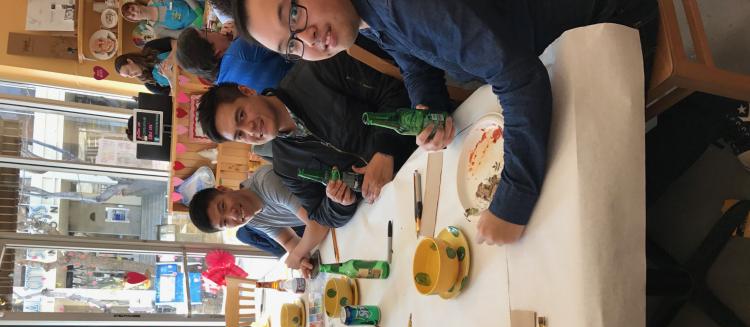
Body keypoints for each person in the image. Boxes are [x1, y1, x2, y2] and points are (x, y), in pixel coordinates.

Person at [232, 0, 659, 247]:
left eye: (293, 14)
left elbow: (519, 77)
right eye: (292, 45)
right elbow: (412, 60)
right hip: (548, 48)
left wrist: (512, 203)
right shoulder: (365, 15)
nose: (308, 38)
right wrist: (428, 104)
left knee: (572, 216)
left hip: (608, 24)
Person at [196, 52, 416, 227]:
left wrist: (384, 151)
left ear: (247, 91)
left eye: (241, 116)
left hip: (420, 147)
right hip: (395, 201)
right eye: (240, 135)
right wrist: (339, 203)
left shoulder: (317, 71)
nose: (249, 129)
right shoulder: (285, 164)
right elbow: (320, 215)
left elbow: (395, 91)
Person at [188, 165, 328, 275]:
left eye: (223, 206)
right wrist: (303, 259)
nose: (233, 215)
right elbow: (288, 240)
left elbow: (319, 222)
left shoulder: (266, 183)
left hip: (337, 197)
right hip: (334, 220)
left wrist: (297, 254)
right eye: (225, 222)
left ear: (224, 189)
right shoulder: (253, 219)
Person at [175, 27, 294, 89]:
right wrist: (242, 29)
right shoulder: (241, 49)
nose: (214, 31)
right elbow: (284, 29)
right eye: (207, 32)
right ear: (216, 51)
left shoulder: (223, 87)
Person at [122, 0, 204, 34]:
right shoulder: (157, 29)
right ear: (135, 20)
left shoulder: (156, 0)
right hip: (201, 27)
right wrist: (196, 25)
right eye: (133, 15)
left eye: (133, 8)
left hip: (204, 4)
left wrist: (198, 10)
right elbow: (180, 34)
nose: (136, 12)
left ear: (136, 4)